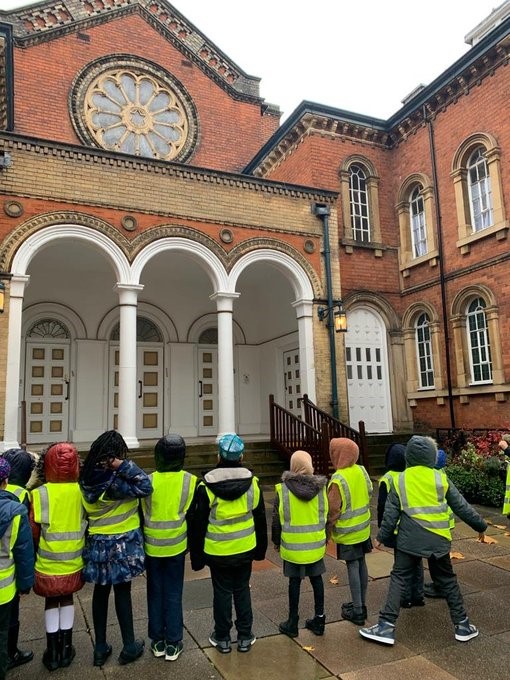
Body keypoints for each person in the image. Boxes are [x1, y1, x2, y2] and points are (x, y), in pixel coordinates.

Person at [360, 435, 487, 646]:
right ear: (431, 456)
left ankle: (385, 626)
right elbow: (461, 506)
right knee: (447, 580)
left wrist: (381, 538)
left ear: (409, 456)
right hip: (438, 539)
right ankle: (463, 625)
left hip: (409, 540)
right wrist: (480, 526)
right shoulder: (440, 478)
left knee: (399, 578)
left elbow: (391, 514)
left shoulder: (400, 480)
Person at [79, 430, 153, 666]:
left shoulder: (85, 479)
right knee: (122, 593)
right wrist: (123, 465)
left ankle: (100, 648)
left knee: (100, 593)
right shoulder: (116, 484)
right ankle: (129, 646)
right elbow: (145, 486)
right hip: (122, 546)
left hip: (97, 544)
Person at [190, 433, 267, 654]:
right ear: (241, 456)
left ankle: (222, 637)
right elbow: (260, 518)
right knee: (242, 589)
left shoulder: (206, 486)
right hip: (244, 548)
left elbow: (199, 524)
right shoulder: (253, 483)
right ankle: (245, 636)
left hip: (218, 550)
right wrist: (260, 550)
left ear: (219, 456)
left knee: (221, 592)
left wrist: (197, 557)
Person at [141, 434, 197, 662]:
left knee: (155, 592)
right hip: (176, 544)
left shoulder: (147, 480)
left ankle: (157, 641)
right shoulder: (190, 481)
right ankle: (173, 642)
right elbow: (192, 516)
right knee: (174, 592)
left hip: (152, 545)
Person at [30, 442, 86, 671]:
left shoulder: (39, 494)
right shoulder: (80, 491)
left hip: (47, 560)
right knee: (67, 598)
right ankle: (66, 648)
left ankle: (52, 651)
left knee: (52, 600)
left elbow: (34, 531)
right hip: (73, 560)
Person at [272, 450, 328, 638]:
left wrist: (276, 541)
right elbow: (325, 516)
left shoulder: (283, 489)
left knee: (294, 583)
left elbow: (277, 518)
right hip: (314, 544)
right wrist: (325, 538)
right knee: (317, 580)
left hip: (293, 545)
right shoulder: (321, 490)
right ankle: (319, 619)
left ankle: (292, 621)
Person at [327, 437, 373, 626]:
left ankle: (357, 610)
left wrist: (327, 531)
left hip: (348, 532)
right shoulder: (361, 470)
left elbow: (332, 510)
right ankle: (361, 603)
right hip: (363, 528)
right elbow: (370, 491)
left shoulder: (338, 479)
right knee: (362, 563)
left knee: (352, 566)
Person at [377, 442, 424, 608]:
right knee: (417, 562)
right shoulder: (411, 475)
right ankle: (418, 595)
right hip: (415, 525)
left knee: (401, 566)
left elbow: (383, 507)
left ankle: (405, 598)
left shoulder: (387, 479)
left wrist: (382, 530)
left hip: (398, 529)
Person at [0, 457, 34, 680]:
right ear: (5, 480)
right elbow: (23, 551)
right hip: (5, 586)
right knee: (3, 630)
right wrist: (25, 583)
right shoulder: (15, 509)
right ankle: (8, 656)